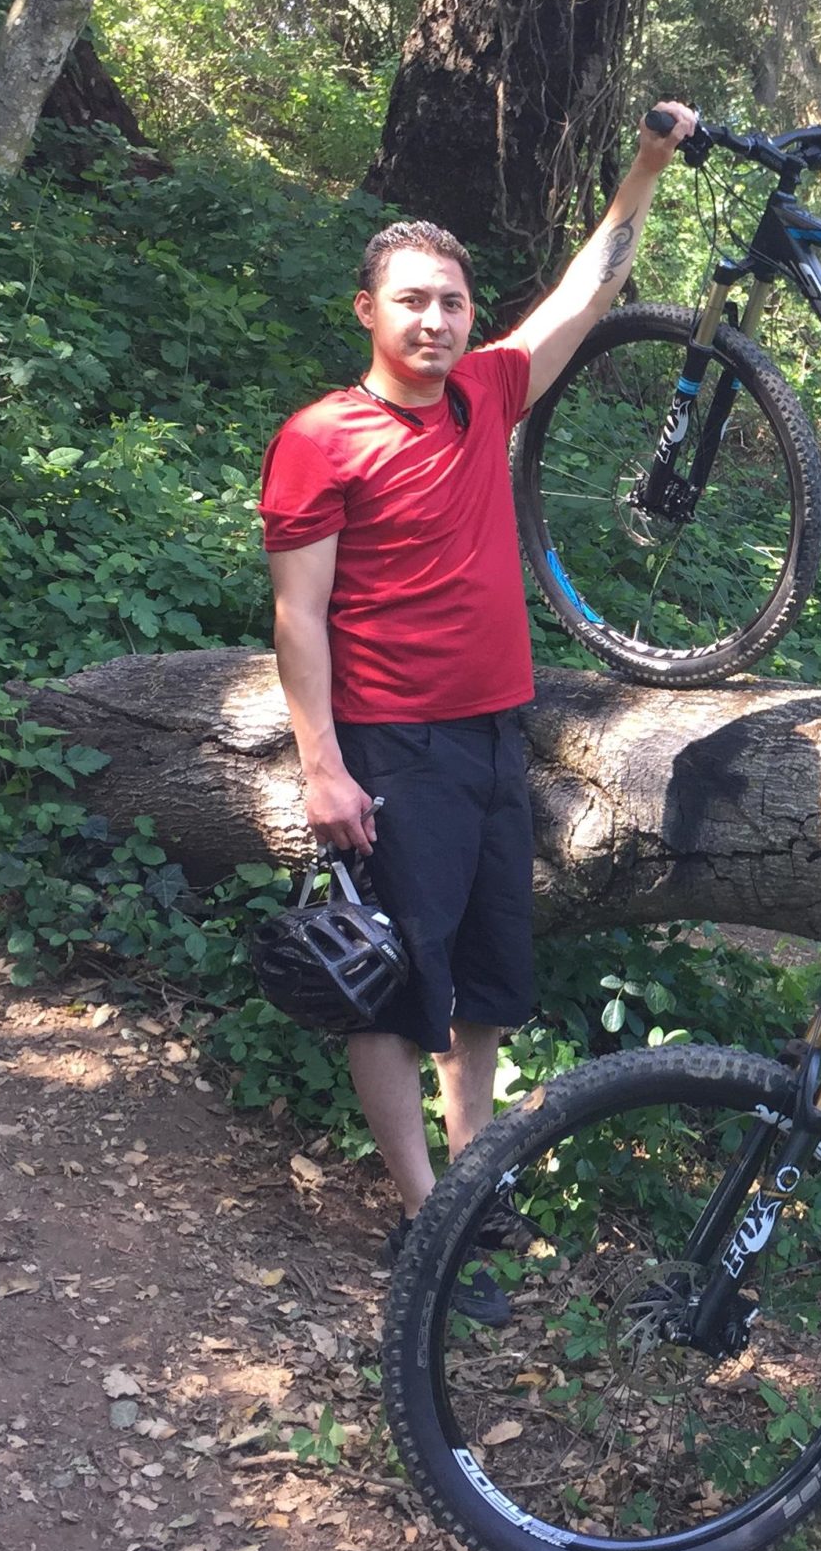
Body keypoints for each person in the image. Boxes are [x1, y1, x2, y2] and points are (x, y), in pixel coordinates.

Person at [258, 104, 700, 1320]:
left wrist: (645, 165)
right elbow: (298, 619)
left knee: (490, 988)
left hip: (497, 737)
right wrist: (322, 769)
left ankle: (471, 1184)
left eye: (451, 301)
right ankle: (422, 1220)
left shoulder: (486, 397)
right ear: (368, 311)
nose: (436, 319)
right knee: (400, 990)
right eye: (412, 299)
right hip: (394, 754)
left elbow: (582, 293)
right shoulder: (321, 439)